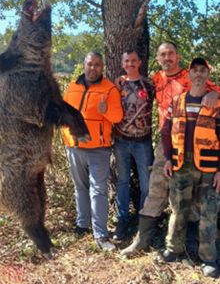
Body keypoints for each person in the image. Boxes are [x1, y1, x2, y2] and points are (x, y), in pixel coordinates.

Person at [121, 42, 219, 257]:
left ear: (178, 56)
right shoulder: (157, 79)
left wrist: (216, 95)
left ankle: (190, 245)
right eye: (163, 55)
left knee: (192, 198)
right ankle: (143, 239)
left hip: (195, 147)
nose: (167, 58)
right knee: (156, 188)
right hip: (168, 144)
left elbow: (213, 92)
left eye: (171, 54)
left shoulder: (190, 75)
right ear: (158, 58)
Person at [157, 57, 220, 278]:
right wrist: (167, 158)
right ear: (190, 74)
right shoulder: (177, 101)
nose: (199, 74)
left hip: (209, 167)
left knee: (209, 212)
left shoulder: (217, 102)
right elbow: (166, 132)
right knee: (178, 209)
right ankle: (173, 249)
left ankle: (209, 258)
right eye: (195, 70)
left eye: (203, 70)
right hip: (181, 164)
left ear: (207, 75)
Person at [62, 52, 123, 251]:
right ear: (84, 64)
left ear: (102, 67)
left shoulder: (110, 88)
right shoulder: (73, 86)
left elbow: (117, 117)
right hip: (74, 146)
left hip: (98, 150)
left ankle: (101, 235)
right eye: (90, 64)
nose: (93, 68)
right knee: (79, 188)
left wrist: (105, 110)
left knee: (98, 192)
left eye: (97, 65)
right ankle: (82, 225)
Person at [112, 50, 155, 240]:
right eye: (127, 61)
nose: (130, 64)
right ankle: (122, 220)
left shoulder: (149, 84)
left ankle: (144, 222)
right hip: (121, 140)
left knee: (147, 183)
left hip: (143, 142)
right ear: (122, 63)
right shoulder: (116, 86)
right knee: (122, 182)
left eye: (134, 61)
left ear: (139, 62)